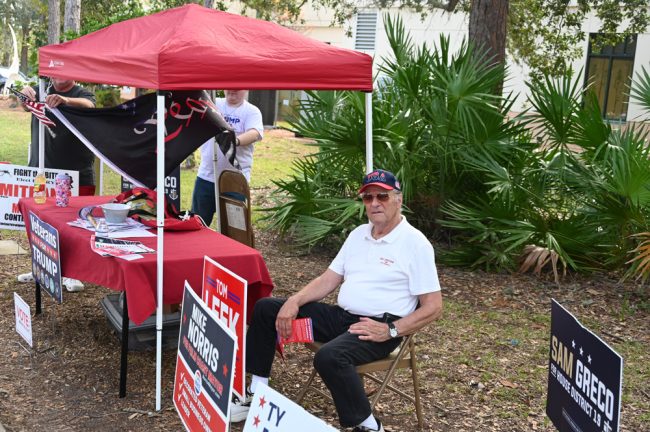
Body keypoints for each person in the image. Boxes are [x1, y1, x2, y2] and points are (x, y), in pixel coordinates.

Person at [233, 169, 443, 431]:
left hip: (378, 327)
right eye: (368, 198)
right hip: (342, 318)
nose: (375, 203)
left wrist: (390, 330)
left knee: (330, 357)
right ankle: (257, 393)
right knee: (266, 308)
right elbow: (328, 280)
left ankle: (369, 426)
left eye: (382, 196)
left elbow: (433, 307)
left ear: (398, 199)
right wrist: (294, 301)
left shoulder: (415, 244)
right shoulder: (358, 234)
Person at [17, 78, 96, 292]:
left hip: (76, 172)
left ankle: (73, 273)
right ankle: (41, 265)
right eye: (54, 73)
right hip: (42, 171)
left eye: (64, 72)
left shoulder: (82, 93)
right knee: (39, 219)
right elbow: (24, 102)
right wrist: (24, 94)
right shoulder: (41, 89)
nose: (59, 77)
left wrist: (64, 100)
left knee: (77, 221)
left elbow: (90, 105)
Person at [192, 89, 263, 226]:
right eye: (229, 86)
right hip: (207, 177)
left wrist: (234, 141)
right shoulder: (212, 103)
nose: (232, 90)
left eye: (238, 87)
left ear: (246, 89)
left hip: (235, 179)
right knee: (198, 224)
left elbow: (254, 133)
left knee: (235, 228)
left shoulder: (251, 111)